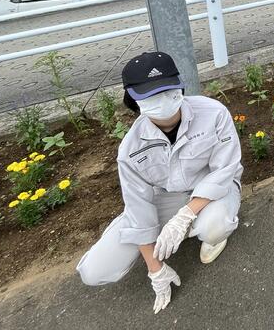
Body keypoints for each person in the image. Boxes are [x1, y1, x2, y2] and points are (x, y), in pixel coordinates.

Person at [76, 51, 243, 314]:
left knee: (214, 226)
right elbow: (138, 206)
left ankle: (207, 232)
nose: (162, 100)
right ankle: (179, 230)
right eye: (150, 95)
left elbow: (225, 170)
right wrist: (155, 269)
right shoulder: (130, 148)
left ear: (179, 86)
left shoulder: (213, 113)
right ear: (133, 99)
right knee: (94, 271)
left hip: (212, 191)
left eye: (167, 90)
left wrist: (185, 215)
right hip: (165, 197)